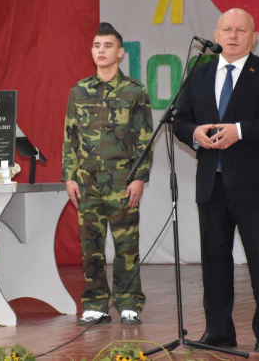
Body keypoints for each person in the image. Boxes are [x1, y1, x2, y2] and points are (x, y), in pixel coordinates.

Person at [172, 8, 259, 352]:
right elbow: (180, 120)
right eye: (226, 29)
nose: (232, 35)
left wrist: (239, 131)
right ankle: (218, 331)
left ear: (254, 37)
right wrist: (194, 133)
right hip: (211, 185)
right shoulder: (199, 73)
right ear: (216, 35)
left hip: (254, 186)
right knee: (214, 263)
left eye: (241, 30)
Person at [62, 22, 153, 325]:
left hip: (122, 181)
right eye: (97, 46)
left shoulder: (135, 91)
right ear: (92, 51)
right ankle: (95, 303)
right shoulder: (79, 91)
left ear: (120, 53)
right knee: (91, 246)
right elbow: (70, 137)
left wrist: (139, 177)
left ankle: (129, 303)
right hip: (87, 182)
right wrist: (70, 176)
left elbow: (144, 138)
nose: (101, 51)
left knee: (127, 245)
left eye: (108, 46)